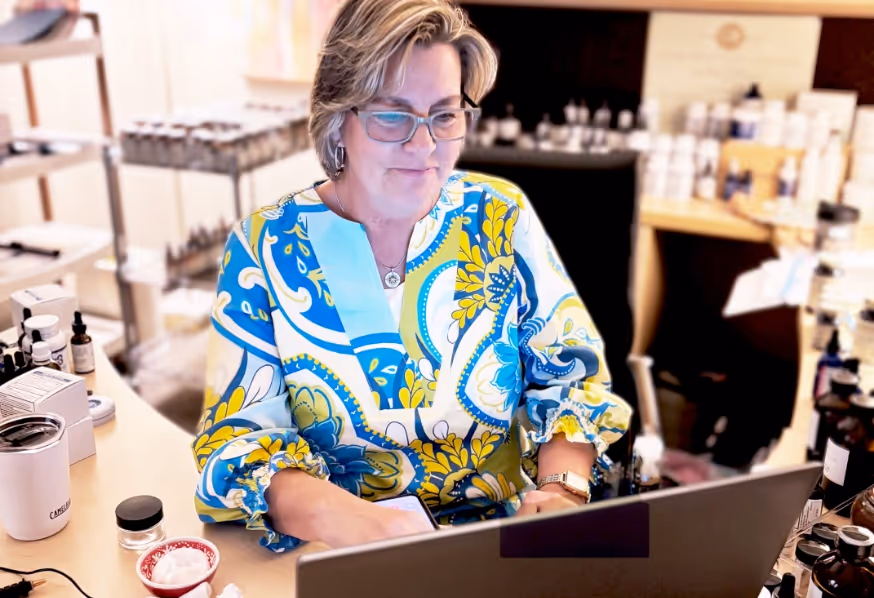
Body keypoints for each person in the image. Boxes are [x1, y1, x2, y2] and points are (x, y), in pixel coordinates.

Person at [192, 0, 632, 553]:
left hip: (498, 547)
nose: (425, 148)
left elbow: (572, 379)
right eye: (393, 115)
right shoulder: (264, 247)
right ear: (338, 119)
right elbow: (232, 446)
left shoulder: (501, 216)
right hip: (337, 556)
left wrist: (561, 487)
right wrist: (357, 524)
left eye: (445, 115)